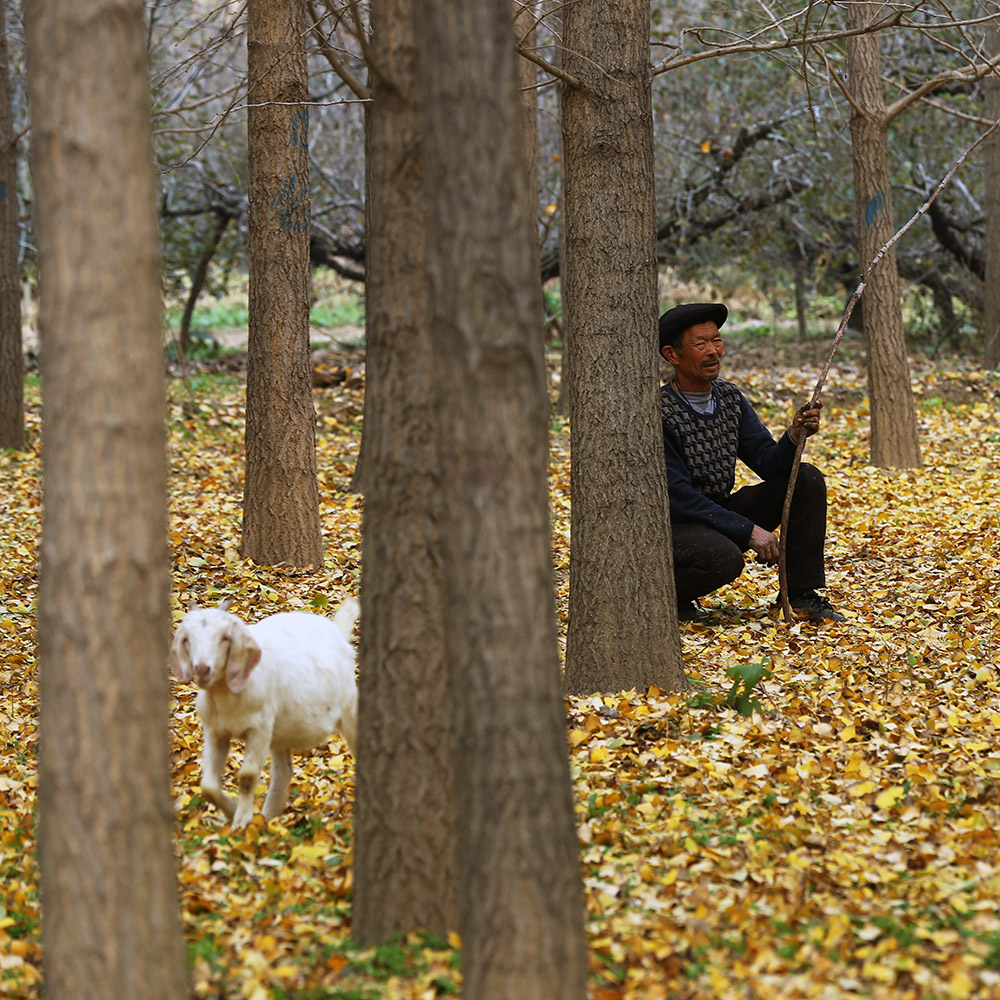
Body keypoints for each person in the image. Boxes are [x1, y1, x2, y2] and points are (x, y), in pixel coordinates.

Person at [658, 301, 845, 623]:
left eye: (716, 340)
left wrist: (795, 434)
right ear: (672, 355)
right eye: (700, 344)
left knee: (806, 479)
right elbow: (676, 494)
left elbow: (767, 462)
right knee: (724, 558)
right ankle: (670, 599)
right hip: (677, 523)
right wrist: (748, 531)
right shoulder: (660, 411)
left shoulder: (729, 398)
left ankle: (801, 594)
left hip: (717, 512)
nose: (713, 351)